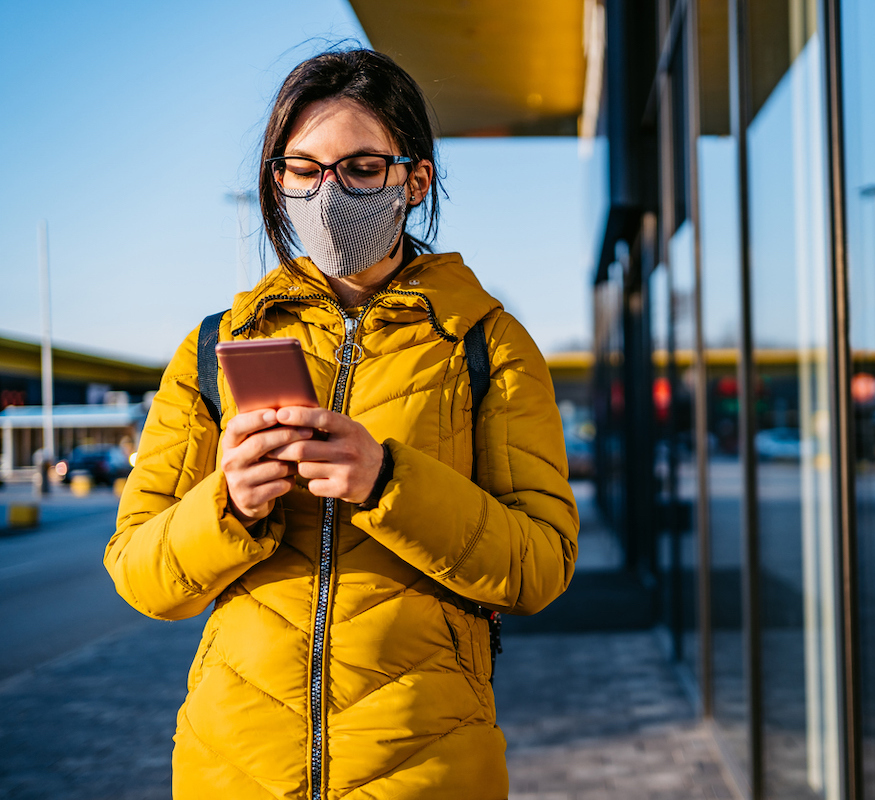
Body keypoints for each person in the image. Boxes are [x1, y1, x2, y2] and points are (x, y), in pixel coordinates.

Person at [104, 48, 579, 800]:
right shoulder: (211, 350)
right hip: (231, 769)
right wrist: (229, 503)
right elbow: (139, 572)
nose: (329, 194)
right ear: (278, 181)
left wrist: (389, 482)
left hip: (428, 767)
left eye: (361, 168)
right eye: (305, 169)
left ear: (413, 179)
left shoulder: (486, 343)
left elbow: (541, 564)